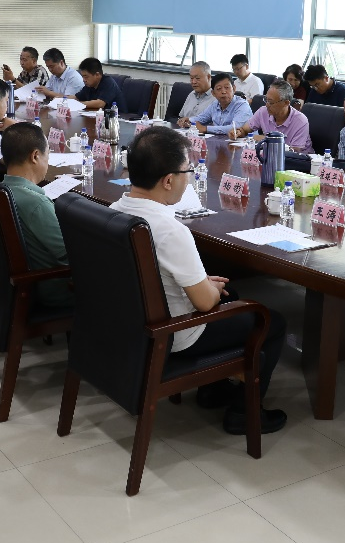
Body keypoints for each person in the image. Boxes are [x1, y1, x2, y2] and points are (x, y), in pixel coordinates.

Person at [110, 127, 288, 435]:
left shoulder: (115, 210)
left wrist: (205, 283)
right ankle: (244, 414)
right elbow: (205, 303)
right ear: (168, 181)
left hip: (129, 326)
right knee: (271, 321)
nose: (189, 178)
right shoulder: (169, 230)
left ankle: (212, 390)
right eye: (187, 171)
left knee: (231, 293)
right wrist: (209, 288)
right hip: (173, 335)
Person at [0, 123, 73, 310]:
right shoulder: (35, 204)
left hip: (13, 287)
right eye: (48, 154)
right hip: (54, 291)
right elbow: (69, 253)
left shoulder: (0, 191)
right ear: (35, 156)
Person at [228, 80, 313, 153]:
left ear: (286, 103)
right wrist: (238, 132)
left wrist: (268, 140)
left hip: (299, 162)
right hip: (270, 156)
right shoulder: (263, 111)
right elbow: (245, 129)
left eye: (271, 102)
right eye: (266, 100)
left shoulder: (300, 121)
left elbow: (295, 151)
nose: (267, 105)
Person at [175, 61, 214, 127]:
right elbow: (181, 117)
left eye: (197, 78)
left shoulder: (216, 98)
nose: (193, 82)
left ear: (208, 77)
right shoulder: (191, 94)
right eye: (191, 78)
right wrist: (181, 121)